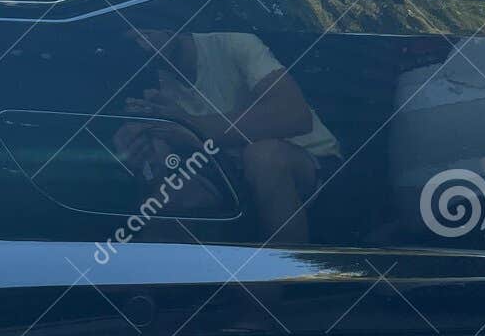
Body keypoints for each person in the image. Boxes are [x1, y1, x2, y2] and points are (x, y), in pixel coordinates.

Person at [114, 29, 340, 247]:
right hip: (226, 173)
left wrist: (191, 126)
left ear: (171, 22)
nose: (142, 43)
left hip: (313, 164)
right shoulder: (151, 80)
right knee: (168, 198)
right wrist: (140, 151)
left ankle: (282, 280)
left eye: (145, 30)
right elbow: (172, 152)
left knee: (263, 157)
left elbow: (293, 115)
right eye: (132, 40)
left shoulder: (234, 43)